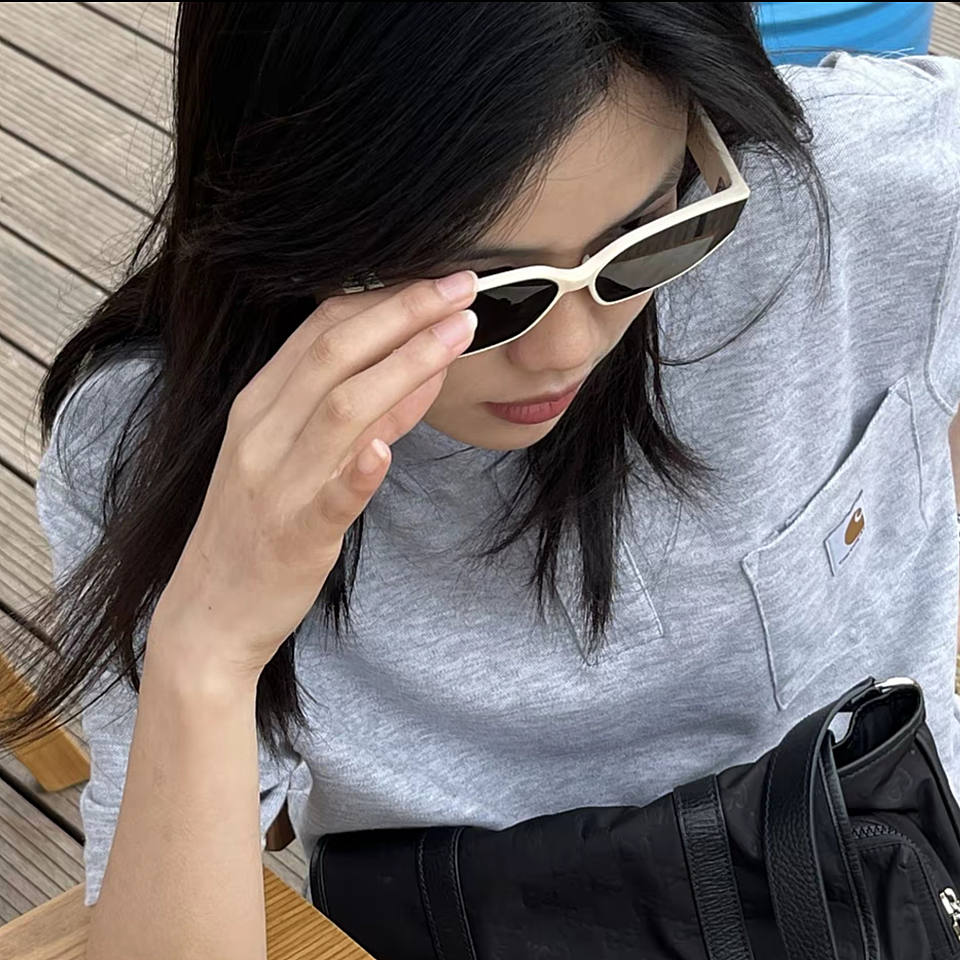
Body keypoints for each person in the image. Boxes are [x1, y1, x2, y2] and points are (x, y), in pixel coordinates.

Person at [5, 2, 960, 956]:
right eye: (483, 295)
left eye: (645, 240)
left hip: (887, 886)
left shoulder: (853, 194)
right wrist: (209, 650)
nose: (566, 349)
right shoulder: (166, 442)